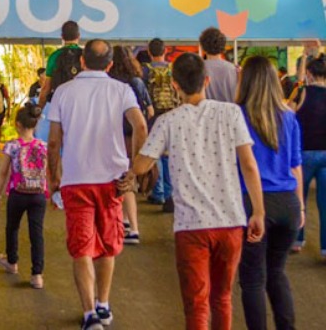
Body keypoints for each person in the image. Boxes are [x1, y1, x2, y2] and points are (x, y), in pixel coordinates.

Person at [130, 52, 265, 330]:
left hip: (191, 227)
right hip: (230, 222)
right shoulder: (231, 113)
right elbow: (249, 166)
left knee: (196, 304)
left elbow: (142, 166)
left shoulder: (168, 122)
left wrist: (137, 153)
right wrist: (258, 211)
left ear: (175, 85)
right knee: (223, 298)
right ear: (207, 80)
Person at [46, 40, 148, 330]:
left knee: (81, 248)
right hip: (112, 181)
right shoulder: (121, 90)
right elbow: (140, 127)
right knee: (107, 245)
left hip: (76, 180)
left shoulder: (63, 93)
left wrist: (54, 177)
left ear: (81, 61)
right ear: (111, 64)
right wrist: (135, 169)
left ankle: (90, 314)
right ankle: (103, 304)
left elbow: (54, 141)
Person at [234, 56, 304, 330]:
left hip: (253, 203)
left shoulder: (237, 115)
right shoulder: (289, 116)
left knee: (252, 279)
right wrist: (301, 207)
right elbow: (295, 165)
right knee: (277, 272)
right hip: (287, 202)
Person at [0, 103, 49, 290]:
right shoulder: (43, 146)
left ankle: (12, 261)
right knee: (37, 234)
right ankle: (37, 275)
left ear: (17, 125)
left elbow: (3, 173)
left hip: (17, 193)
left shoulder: (12, 146)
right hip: (38, 195)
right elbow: (48, 172)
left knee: (12, 227)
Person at [108, 46, 154, 245]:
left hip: (116, 136)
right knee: (128, 178)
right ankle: (128, 223)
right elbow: (150, 111)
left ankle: (130, 226)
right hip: (134, 135)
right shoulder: (136, 82)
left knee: (122, 180)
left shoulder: (111, 84)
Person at [291, 55, 326, 256]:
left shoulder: (302, 92)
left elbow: (288, 113)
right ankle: (325, 247)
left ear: (310, 74)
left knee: (299, 198)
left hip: (304, 153)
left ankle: (297, 239)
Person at [143, 38, 178, 212]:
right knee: (169, 154)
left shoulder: (145, 70)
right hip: (171, 113)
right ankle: (170, 193)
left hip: (153, 115)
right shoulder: (173, 70)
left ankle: (158, 192)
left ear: (149, 52)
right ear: (165, 51)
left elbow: (142, 93)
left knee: (154, 153)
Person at [38, 20, 83, 108]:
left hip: (60, 105)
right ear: (78, 36)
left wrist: (39, 108)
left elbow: (46, 87)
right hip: (82, 105)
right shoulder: (85, 55)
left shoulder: (54, 56)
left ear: (62, 37)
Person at [200, 27, 238, 103]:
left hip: (206, 113)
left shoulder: (198, 69)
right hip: (229, 113)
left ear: (203, 47)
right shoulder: (233, 69)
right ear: (223, 46)